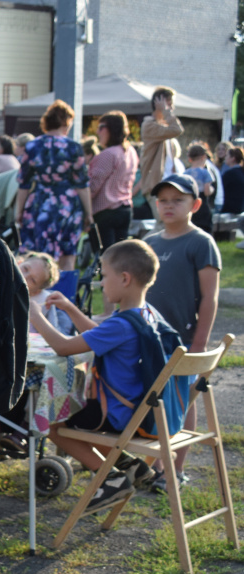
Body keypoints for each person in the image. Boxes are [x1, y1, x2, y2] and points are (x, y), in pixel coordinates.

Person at [28, 240, 164, 507]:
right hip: (137, 411)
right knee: (73, 412)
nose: (101, 284)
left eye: (104, 276)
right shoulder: (143, 314)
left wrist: (35, 315)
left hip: (115, 415)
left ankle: (109, 480)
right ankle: (129, 464)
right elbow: (97, 336)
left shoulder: (121, 323)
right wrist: (70, 308)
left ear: (124, 279)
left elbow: (63, 347)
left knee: (55, 426)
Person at [144, 174, 221, 487]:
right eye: (163, 200)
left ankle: (174, 469)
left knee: (183, 402)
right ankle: (151, 465)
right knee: (156, 402)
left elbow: (210, 297)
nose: (169, 205)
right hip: (151, 341)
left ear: (196, 204)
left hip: (186, 341)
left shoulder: (201, 243)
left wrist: (200, 343)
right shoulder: (149, 242)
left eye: (178, 200)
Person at [0, 252, 65, 454]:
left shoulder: (41, 303)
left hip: (30, 362)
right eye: (26, 269)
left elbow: (54, 334)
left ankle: (24, 430)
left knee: (42, 379)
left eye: (32, 280)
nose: (25, 277)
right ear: (19, 262)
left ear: (37, 288)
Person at [14, 99, 93, 274]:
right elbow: (82, 184)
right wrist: (89, 213)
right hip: (68, 205)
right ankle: (64, 298)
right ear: (67, 122)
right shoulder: (74, 147)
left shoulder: (33, 146)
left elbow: (24, 183)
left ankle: (37, 296)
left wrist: (19, 210)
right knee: (67, 257)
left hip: (39, 204)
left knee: (36, 257)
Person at [88, 111, 139, 252]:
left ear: (112, 128)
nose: (97, 132)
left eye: (101, 127)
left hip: (106, 212)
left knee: (106, 258)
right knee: (120, 257)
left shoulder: (108, 154)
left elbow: (92, 187)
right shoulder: (131, 152)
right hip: (125, 210)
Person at [138, 86, 184, 207]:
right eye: (169, 104)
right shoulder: (149, 125)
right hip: (156, 185)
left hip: (169, 184)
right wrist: (165, 111)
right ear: (158, 103)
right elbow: (177, 130)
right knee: (162, 223)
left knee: (170, 224)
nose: (171, 108)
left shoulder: (162, 126)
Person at [184, 143, 216, 234]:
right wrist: (212, 190)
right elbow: (207, 191)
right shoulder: (206, 173)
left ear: (189, 158)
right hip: (203, 204)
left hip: (190, 204)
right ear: (203, 157)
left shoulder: (186, 173)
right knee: (205, 229)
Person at [222, 146, 244, 214]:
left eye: (227, 156)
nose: (225, 158)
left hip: (230, 209)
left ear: (233, 158)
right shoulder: (241, 171)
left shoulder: (230, 174)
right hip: (240, 208)